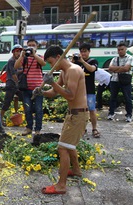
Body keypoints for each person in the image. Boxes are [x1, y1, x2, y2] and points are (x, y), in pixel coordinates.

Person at [39, 45, 88, 194]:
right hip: (72, 114)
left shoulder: (73, 70)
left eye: (50, 61)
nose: (50, 65)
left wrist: (51, 82)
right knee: (68, 145)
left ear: (59, 56)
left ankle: (61, 185)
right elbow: (54, 92)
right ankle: (77, 170)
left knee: (63, 148)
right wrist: (41, 91)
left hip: (79, 114)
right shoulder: (64, 72)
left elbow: (70, 95)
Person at [14, 39, 46, 136]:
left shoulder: (39, 57)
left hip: (38, 89)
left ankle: (38, 129)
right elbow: (15, 66)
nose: (31, 47)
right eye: (29, 45)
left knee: (38, 109)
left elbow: (43, 63)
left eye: (33, 45)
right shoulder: (25, 58)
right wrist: (21, 55)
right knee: (27, 109)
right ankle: (29, 127)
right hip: (26, 88)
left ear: (36, 46)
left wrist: (34, 54)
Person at [72, 43, 100, 138]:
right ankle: (82, 129)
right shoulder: (76, 62)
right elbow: (69, 69)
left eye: (85, 51)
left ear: (89, 51)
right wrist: (72, 60)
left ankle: (94, 128)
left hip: (89, 90)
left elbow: (92, 69)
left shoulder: (93, 61)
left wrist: (83, 61)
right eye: (81, 51)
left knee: (92, 110)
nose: (83, 53)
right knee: (81, 111)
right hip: (79, 91)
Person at [107, 43, 133, 122]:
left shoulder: (130, 58)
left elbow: (126, 68)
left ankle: (129, 115)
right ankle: (111, 113)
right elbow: (110, 68)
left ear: (125, 49)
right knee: (113, 98)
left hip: (125, 81)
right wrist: (121, 68)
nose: (120, 51)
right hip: (114, 80)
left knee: (127, 98)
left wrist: (116, 69)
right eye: (119, 50)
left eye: (122, 49)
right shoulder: (115, 59)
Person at [0, 44, 23, 126]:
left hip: (16, 84)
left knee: (20, 98)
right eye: (17, 51)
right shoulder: (11, 61)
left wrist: (1, 72)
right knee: (7, 102)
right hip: (11, 83)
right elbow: (13, 74)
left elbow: (5, 66)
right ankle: (0, 119)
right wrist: (18, 83)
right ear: (13, 52)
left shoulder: (20, 60)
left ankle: (17, 114)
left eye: (20, 51)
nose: (19, 53)